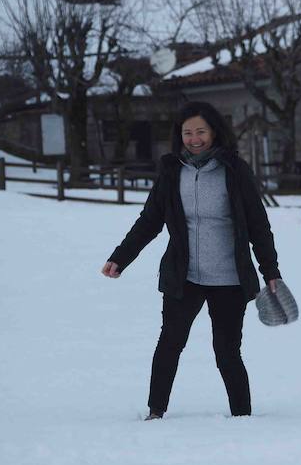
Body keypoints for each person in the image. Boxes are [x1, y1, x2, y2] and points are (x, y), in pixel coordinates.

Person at [101, 101, 282, 419]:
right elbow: (150, 220)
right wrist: (121, 257)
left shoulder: (235, 171)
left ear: (214, 132)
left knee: (227, 353)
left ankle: (242, 417)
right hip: (183, 275)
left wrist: (270, 271)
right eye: (187, 132)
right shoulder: (172, 171)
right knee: (169, 343)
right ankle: (155, 411)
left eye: (201, 131)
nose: (194, 138)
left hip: (229, 278)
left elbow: (258, 225)